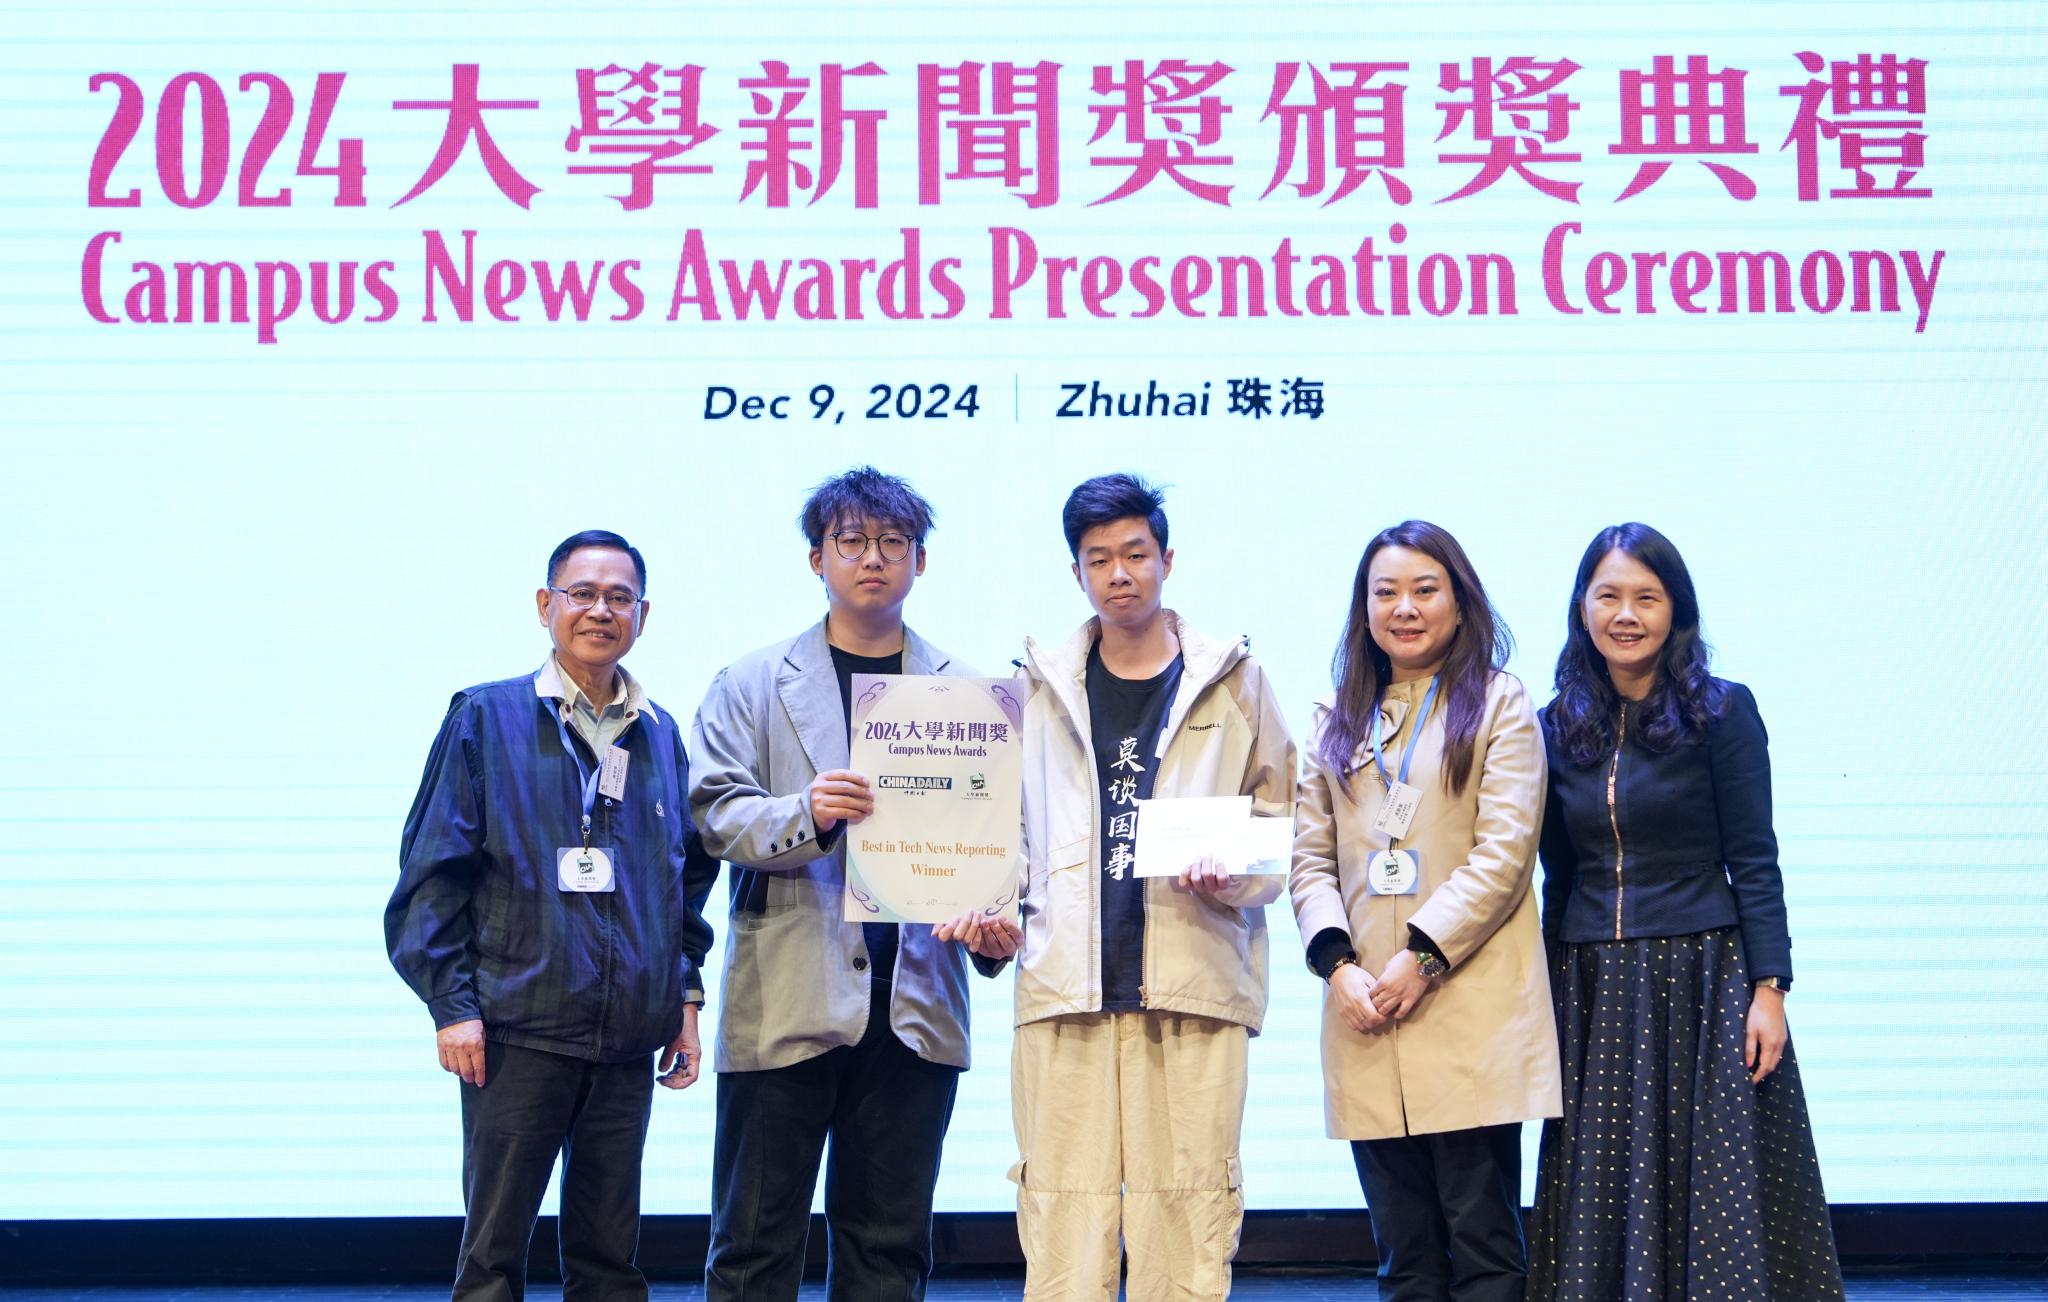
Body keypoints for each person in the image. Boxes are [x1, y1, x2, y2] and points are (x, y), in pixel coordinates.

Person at [688, 466, 1018, 1302]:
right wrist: (806, 811)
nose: (874, 557)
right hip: (787, 997)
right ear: (818, 559)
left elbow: (1002, 840)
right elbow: (713, 815)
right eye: (852, 541)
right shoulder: (752, 681)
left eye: (893, 542)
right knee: (753, 1248)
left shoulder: (971, 695)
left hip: (914, 1006)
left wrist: (993, 924)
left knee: (889, 1252)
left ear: (919, 561)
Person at [386, 528, 718, 1302]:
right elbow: (431, 875)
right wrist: (452, 1006)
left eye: (619, 597)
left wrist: (683, 998)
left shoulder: (660, 733)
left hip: (627, 1039)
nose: (601, 610)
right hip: (517, 1030)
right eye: (583, 594)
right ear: (546, 606)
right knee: (493, 1258)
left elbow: (683, 883)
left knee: (609, 1261)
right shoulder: (486, 716)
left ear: (642, 615)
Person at [1525, 523, 1844, 1301]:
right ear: (1582, 608)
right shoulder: (1553, 725)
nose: (1626, 615)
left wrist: (1770, 989)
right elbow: (1557, 877)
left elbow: (1755, 860)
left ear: (1677, 611)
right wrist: (1546, 995)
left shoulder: (1722, 712)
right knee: (1604, 1190)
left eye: (1647, 597)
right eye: (1608, 596)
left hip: (1705, 978)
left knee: (1719, 1186)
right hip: (1595, 986)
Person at [1008, 472, 1296, 1301]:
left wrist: (1235, 871)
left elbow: (1282, 818)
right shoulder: (1034, 688)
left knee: (1189, 1221)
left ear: (1168, 559)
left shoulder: (1235, 681)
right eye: (1099, 559)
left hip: (1193, 982)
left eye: (1135, 554)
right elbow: (1007, 835)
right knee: (1062, 1222)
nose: (1120, 574)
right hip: (1066, 990)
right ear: (1077, 573)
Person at [1289, 520, 1559, 1302]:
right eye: (1386, 593)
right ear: (1364, 609)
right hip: (1366, 1012)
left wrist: (1424, 956)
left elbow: (1504, 855)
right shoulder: (1335, 717)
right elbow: (1309, 861)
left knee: (1485, 1249)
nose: (1404, 608)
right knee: (1404, 1259)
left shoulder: (1500, 704)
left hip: (1467, 1007)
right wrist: (1339, 967)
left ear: (1459, 601)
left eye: (1424, 590)